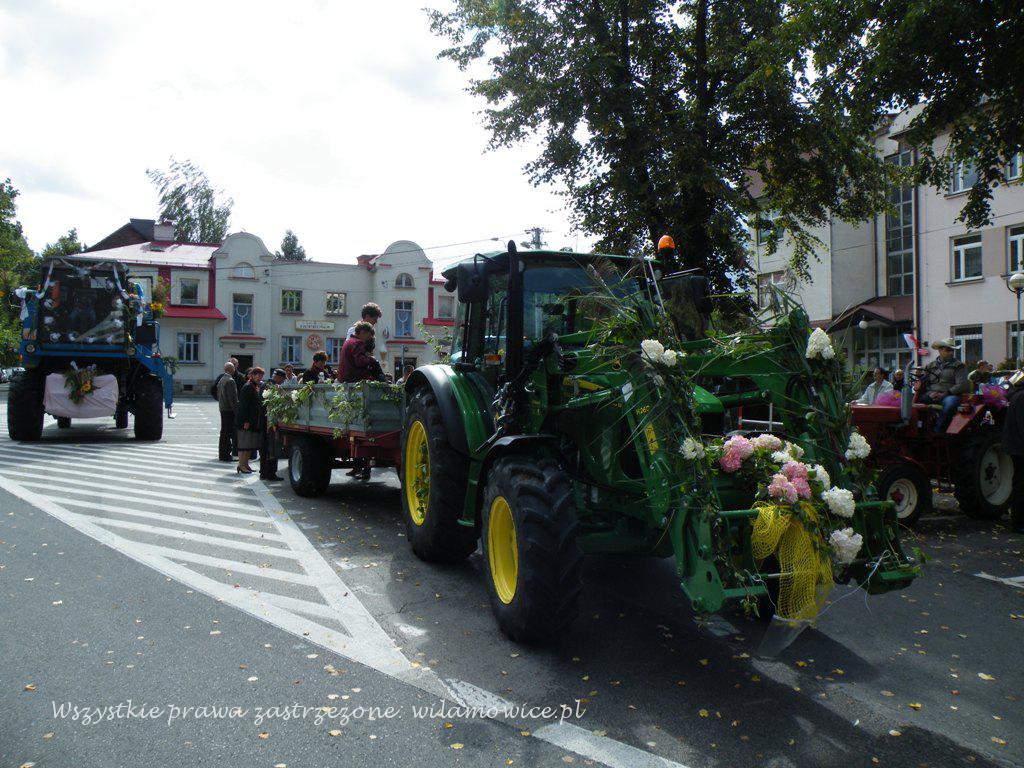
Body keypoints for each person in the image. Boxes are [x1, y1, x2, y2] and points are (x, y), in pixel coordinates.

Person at [917, 338, 969, 433]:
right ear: (940, 350)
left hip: (951, 394)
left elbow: (962, 384)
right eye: (948, 350)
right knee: (916, 402)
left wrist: (945, 393)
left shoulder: (959, 366)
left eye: (952, 350)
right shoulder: (930, 366)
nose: (951, 353)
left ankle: (939, 431)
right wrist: (921, 388)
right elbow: (925, 382)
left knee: (950, 404)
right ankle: (920, 429)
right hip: (932, 394)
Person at [1002, 370, 1024, 532]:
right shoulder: (1022, 397)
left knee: (1019, 483)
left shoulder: (1017, 395)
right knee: (1021, 485)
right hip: (1020, 447)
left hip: (1016, 446)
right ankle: (1019, 522)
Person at [235, 367, 265, 474]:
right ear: (252, 375)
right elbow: (244, 406)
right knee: (244, 444)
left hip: (252, 420)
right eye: (258, 375)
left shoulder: (254, 386)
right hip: (246, 420)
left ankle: (246, 464)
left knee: (249, 445)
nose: (260, 378)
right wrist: (246, 421)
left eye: (261, 376)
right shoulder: (248, 387)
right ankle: (241, 465)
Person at [259, 369, 285, 481]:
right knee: (272, 447)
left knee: (265, 448)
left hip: (264, 420)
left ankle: (264, 472)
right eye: (282, 379)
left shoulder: (265, 384)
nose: (282, 382)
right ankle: (270, 473)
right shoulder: (271, 387)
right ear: (278, 377)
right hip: (269, 422)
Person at [216, 362, 239, 461]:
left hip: (223, 408)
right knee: (228, 433)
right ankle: (226, 455)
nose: (234, 370)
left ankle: (222, 454)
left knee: (224, 432)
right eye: (233, 368)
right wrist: (236, 412)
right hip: (229, 410)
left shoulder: (221, 379)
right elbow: (232, 399)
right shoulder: (230, 381)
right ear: (230, 369)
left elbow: (218, 394)